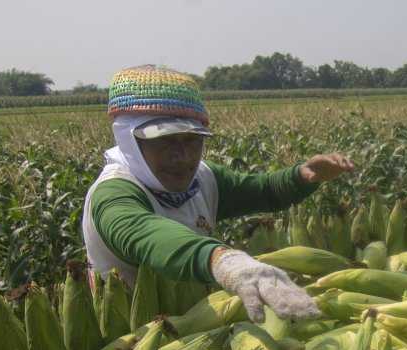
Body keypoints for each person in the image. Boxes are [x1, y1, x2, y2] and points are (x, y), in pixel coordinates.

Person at [82, 65, 354, 322]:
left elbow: (263, 190)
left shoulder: (203, 178)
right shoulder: (115, 194)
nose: (182, 156)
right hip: (133, 342)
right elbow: (148, 235)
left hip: (199, 323)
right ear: (129, 141)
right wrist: (222, 260)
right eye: (164, 142)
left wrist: (302, 176)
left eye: (192, 141)